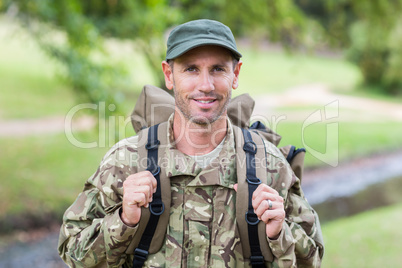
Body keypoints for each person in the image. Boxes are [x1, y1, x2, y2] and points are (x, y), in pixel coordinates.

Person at [58, 19, 324, 267]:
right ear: (169, 75)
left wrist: (279, 233)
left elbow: (312, 259)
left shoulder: (269, 166)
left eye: (218, 69)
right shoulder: (126, 161)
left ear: (235, 74)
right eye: (191, 69)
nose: (205, 84)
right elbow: (72, 251)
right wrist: (125, 221)